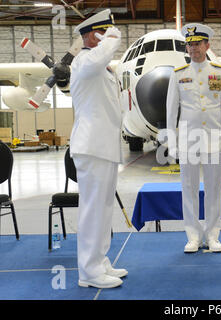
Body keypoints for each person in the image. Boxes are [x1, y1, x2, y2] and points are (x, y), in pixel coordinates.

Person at [70, 9, 127, 289]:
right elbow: (99, 57)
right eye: (107, 32)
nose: (113, 38)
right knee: (93, 209)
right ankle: (88, 271)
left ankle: (100, 261)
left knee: (104, 209)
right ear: (96, 35)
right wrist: (112, 39)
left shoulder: (101, 66)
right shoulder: (84, 61)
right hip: (91, 147)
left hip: (104, 147)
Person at [166, 23, 221, 253]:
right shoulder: (178, 75)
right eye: (189, 44)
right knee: (189, 188)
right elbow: (171, 111)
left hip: (214, 138)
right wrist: (172, 142)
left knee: (214, 189)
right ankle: (193, 236)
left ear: (207, 45)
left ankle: (213, 236)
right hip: (189, 140)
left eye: (197, 44)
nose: (193, 48)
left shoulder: (220, 72)